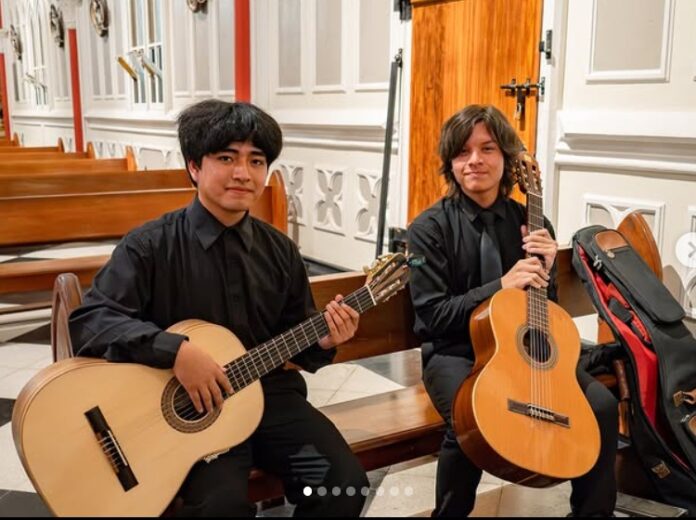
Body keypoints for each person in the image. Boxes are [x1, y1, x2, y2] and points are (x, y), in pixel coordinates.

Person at [69, 99, 369, 517]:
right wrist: (176, 351)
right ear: (194, 166)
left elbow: (297, 334)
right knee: (219, 507)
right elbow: (90, 322)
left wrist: (324, 338)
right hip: (191, 415)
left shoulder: (280, 251)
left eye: (256, 161)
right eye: (227, 158)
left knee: (342, 485)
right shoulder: (150, 246)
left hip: (270, 403)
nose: (243, 173)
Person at [407, 104, 618, 517]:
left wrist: (546, 273)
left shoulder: (531, 223)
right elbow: (431, 318)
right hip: (457, 352)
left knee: (601, 407)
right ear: (451, 163)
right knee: (470, 418)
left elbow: (546, 314)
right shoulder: (429, 229)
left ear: (505, 158)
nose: (475, 161)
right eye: (463, 152)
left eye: (487, 149)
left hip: (523, 350)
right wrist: (501, 286)